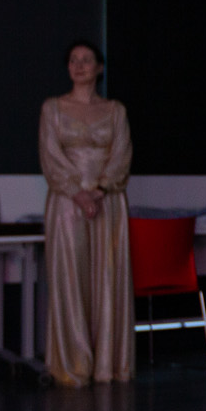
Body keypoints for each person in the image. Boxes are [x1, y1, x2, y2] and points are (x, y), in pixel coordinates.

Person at [39, 40, 134, 387]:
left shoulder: (115, 110)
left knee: (108, 277)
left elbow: (122, 154)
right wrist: (78, 193)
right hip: (67, 203)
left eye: (86, 59)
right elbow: (50, 155)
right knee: (70, 278)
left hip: (108, 201)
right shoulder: (53, 108)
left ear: (99, 68)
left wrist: (99, 190)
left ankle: (108, 363)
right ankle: (73, 364)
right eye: (73, 60)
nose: (79, 65)